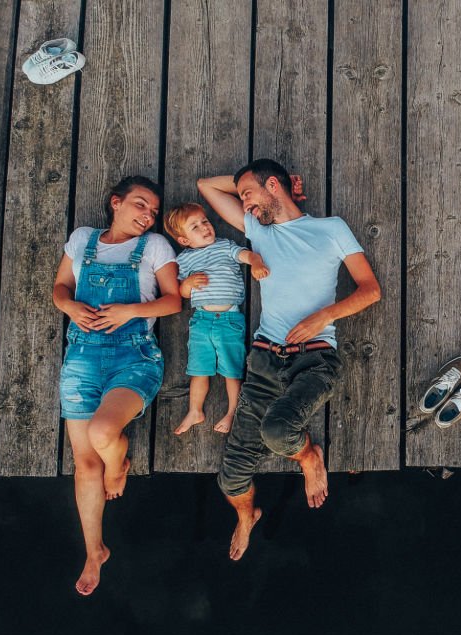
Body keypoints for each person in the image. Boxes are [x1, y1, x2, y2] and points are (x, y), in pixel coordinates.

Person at [198, 159, 381, 560]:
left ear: (274, 185)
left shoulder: (330, 229)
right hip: (265, 361)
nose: (243, 203)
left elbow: (370, 290)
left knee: (279, 432)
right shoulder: (258, 232)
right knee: (230, 480)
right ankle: (247, 517)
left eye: (248, 193)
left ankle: (308, 456)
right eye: (242, 195)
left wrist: (325, 315)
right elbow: (205, 187)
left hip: (314, 360)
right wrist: (243, 182)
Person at [53, 176, 181, 595]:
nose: (148, 216)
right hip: (81, 359)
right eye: (141, 206)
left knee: (103, 433)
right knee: (84, 464)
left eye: (153, 212)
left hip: (133, 357)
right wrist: (70, 305)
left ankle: (119, 463)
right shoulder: (83, 240)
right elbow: (60, 288)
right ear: (116, 203)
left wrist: (129, 311)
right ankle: (95, 551)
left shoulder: (156, 247)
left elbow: (173, 301)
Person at [163, 202, 270, 434]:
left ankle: (233, 412)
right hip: (201, 321)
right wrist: (188, 284)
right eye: (195, 227)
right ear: (184, 240)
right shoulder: (184, 259)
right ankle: (195, 410)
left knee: (232, 371)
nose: (204, 227)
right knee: (199, 370)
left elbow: (245, 254)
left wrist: (256, 262)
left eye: (205, 221)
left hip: (229, 320)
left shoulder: (224, 246)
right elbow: (180, 292)